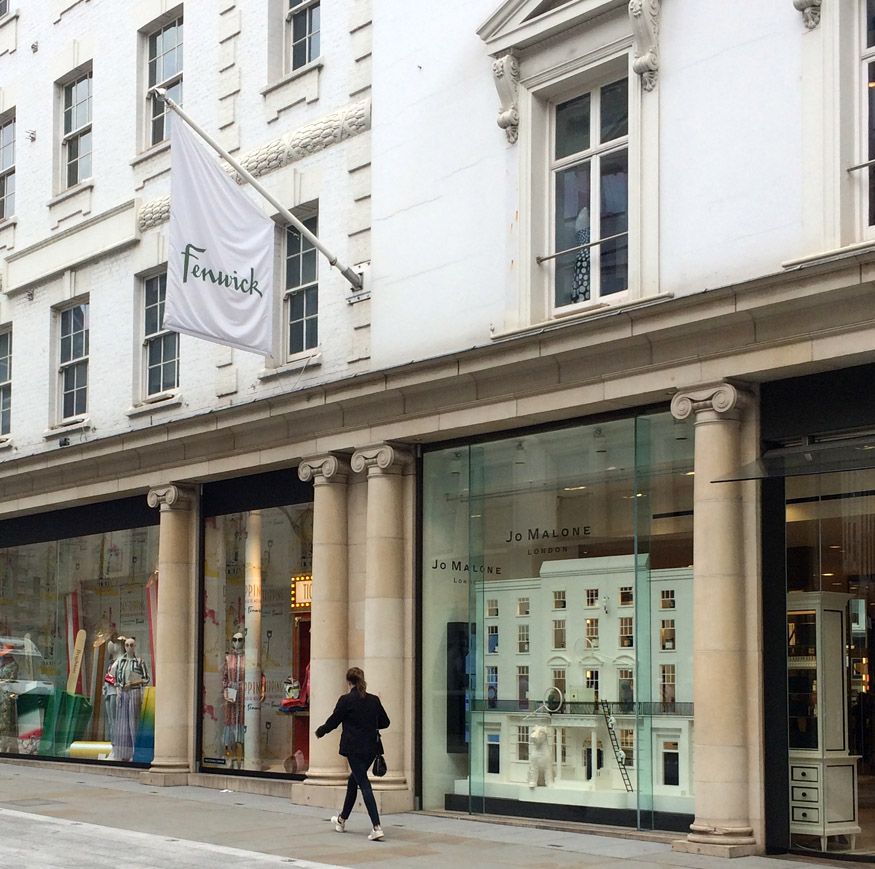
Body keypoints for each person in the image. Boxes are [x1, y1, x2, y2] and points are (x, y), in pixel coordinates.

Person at [315, 666, 390, 841]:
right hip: (371, 748)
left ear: (349, 682)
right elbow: (385, 722)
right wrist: (370, 723)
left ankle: (376, 826)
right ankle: (341, 820)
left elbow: (334, 721)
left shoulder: (346, 700)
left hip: (354, 748)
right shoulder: (374, 700)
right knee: (353, 781)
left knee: (363, 784)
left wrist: (321, 731)